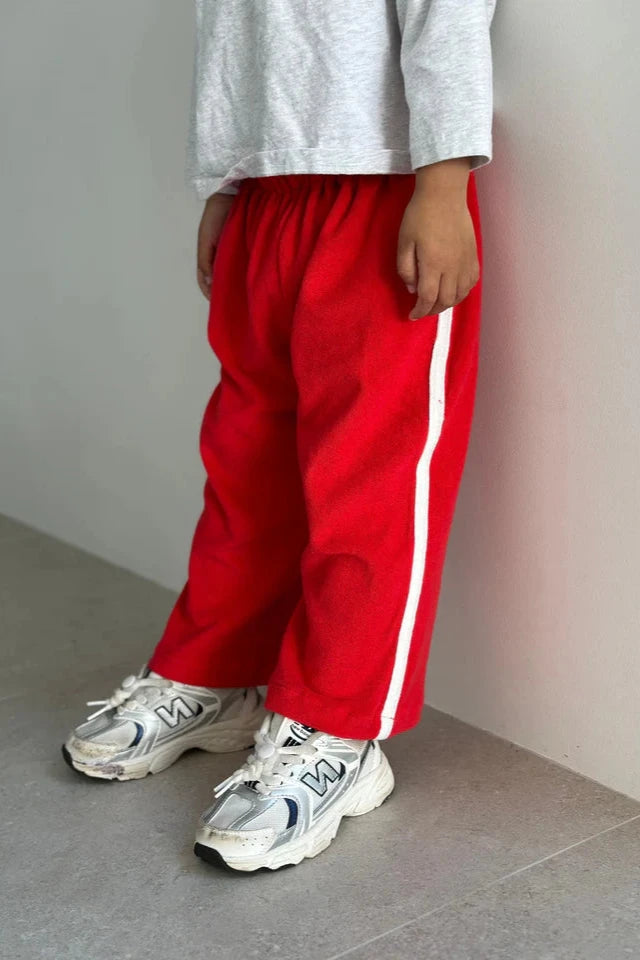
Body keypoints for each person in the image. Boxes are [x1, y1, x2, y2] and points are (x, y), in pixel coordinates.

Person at [63, 0, 496, 873]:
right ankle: (216, 670)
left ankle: (339, 731)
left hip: (383, 183)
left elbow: (446, 15)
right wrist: (228, 182)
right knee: (245, 464)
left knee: (370, 481)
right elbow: (234, 35)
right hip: (272, 191)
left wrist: (443, 181)